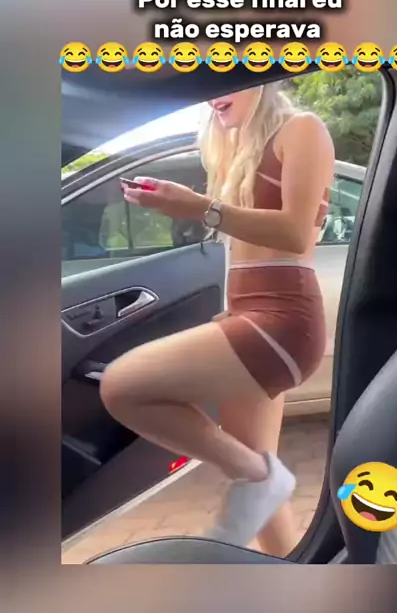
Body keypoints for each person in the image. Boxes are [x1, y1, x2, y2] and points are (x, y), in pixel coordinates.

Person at [100, 83, 335, 557]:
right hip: (248, 310)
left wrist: (198, 208)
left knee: (121, 386)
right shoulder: (229, 143)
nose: (212, 94)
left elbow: (295, 232)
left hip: (283, 320)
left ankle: (259, 478)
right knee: (263, 498)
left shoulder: (301, 130)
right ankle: (291, 575)